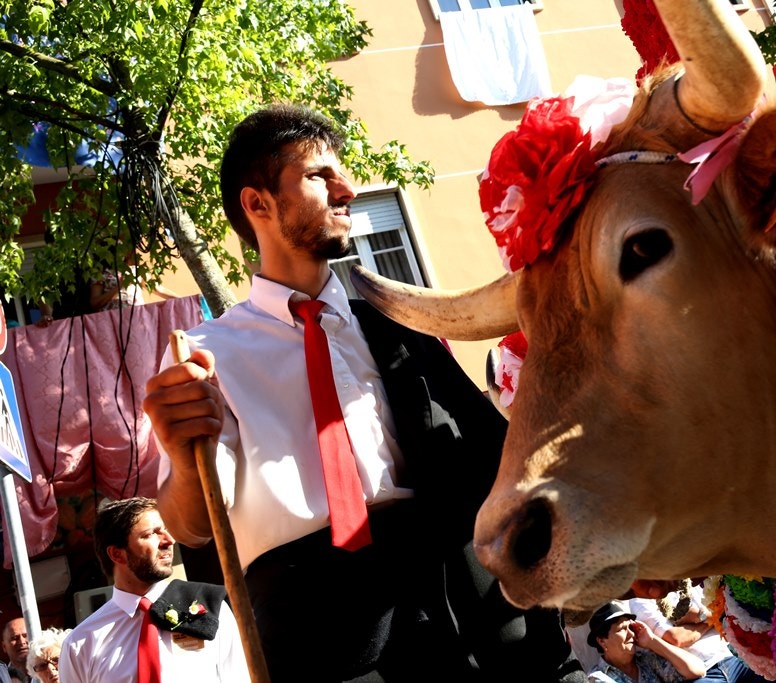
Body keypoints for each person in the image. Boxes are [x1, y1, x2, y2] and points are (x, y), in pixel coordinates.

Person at [142, 103, 582, 681]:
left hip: (470, 610)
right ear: (258, 204)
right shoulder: (203, 354)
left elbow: (494, 452)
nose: (347, 188)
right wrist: (179, 454)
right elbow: (193, 525)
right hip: (323, 637)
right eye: (320, 176)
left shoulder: (403, 324)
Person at [59, 497, 250, 683]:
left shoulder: (209, 606)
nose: (169, 540)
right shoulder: (81, 643)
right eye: (151, 534)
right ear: (117, 554)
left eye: (166, 530)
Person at [628, 583, 771, 683]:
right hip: (705, 673)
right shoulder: (640, 601)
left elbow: (724, 615)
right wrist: (708, 618)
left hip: (732, 658)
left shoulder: (688, 583)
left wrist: (700, 617)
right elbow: (676, 638)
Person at [587, 602, 707, 682]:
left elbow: (697, 670)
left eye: (631, 628)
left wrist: (652, 641)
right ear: (602, 641)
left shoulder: (645, 660)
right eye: (622, 629)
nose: (631, 634)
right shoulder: (597, 678)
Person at [3, 618, 30, 682]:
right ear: (4, 646)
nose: (22, 642)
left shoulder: (53, 673)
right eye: (14, 638)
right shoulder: (2, 677)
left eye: (26, 636)